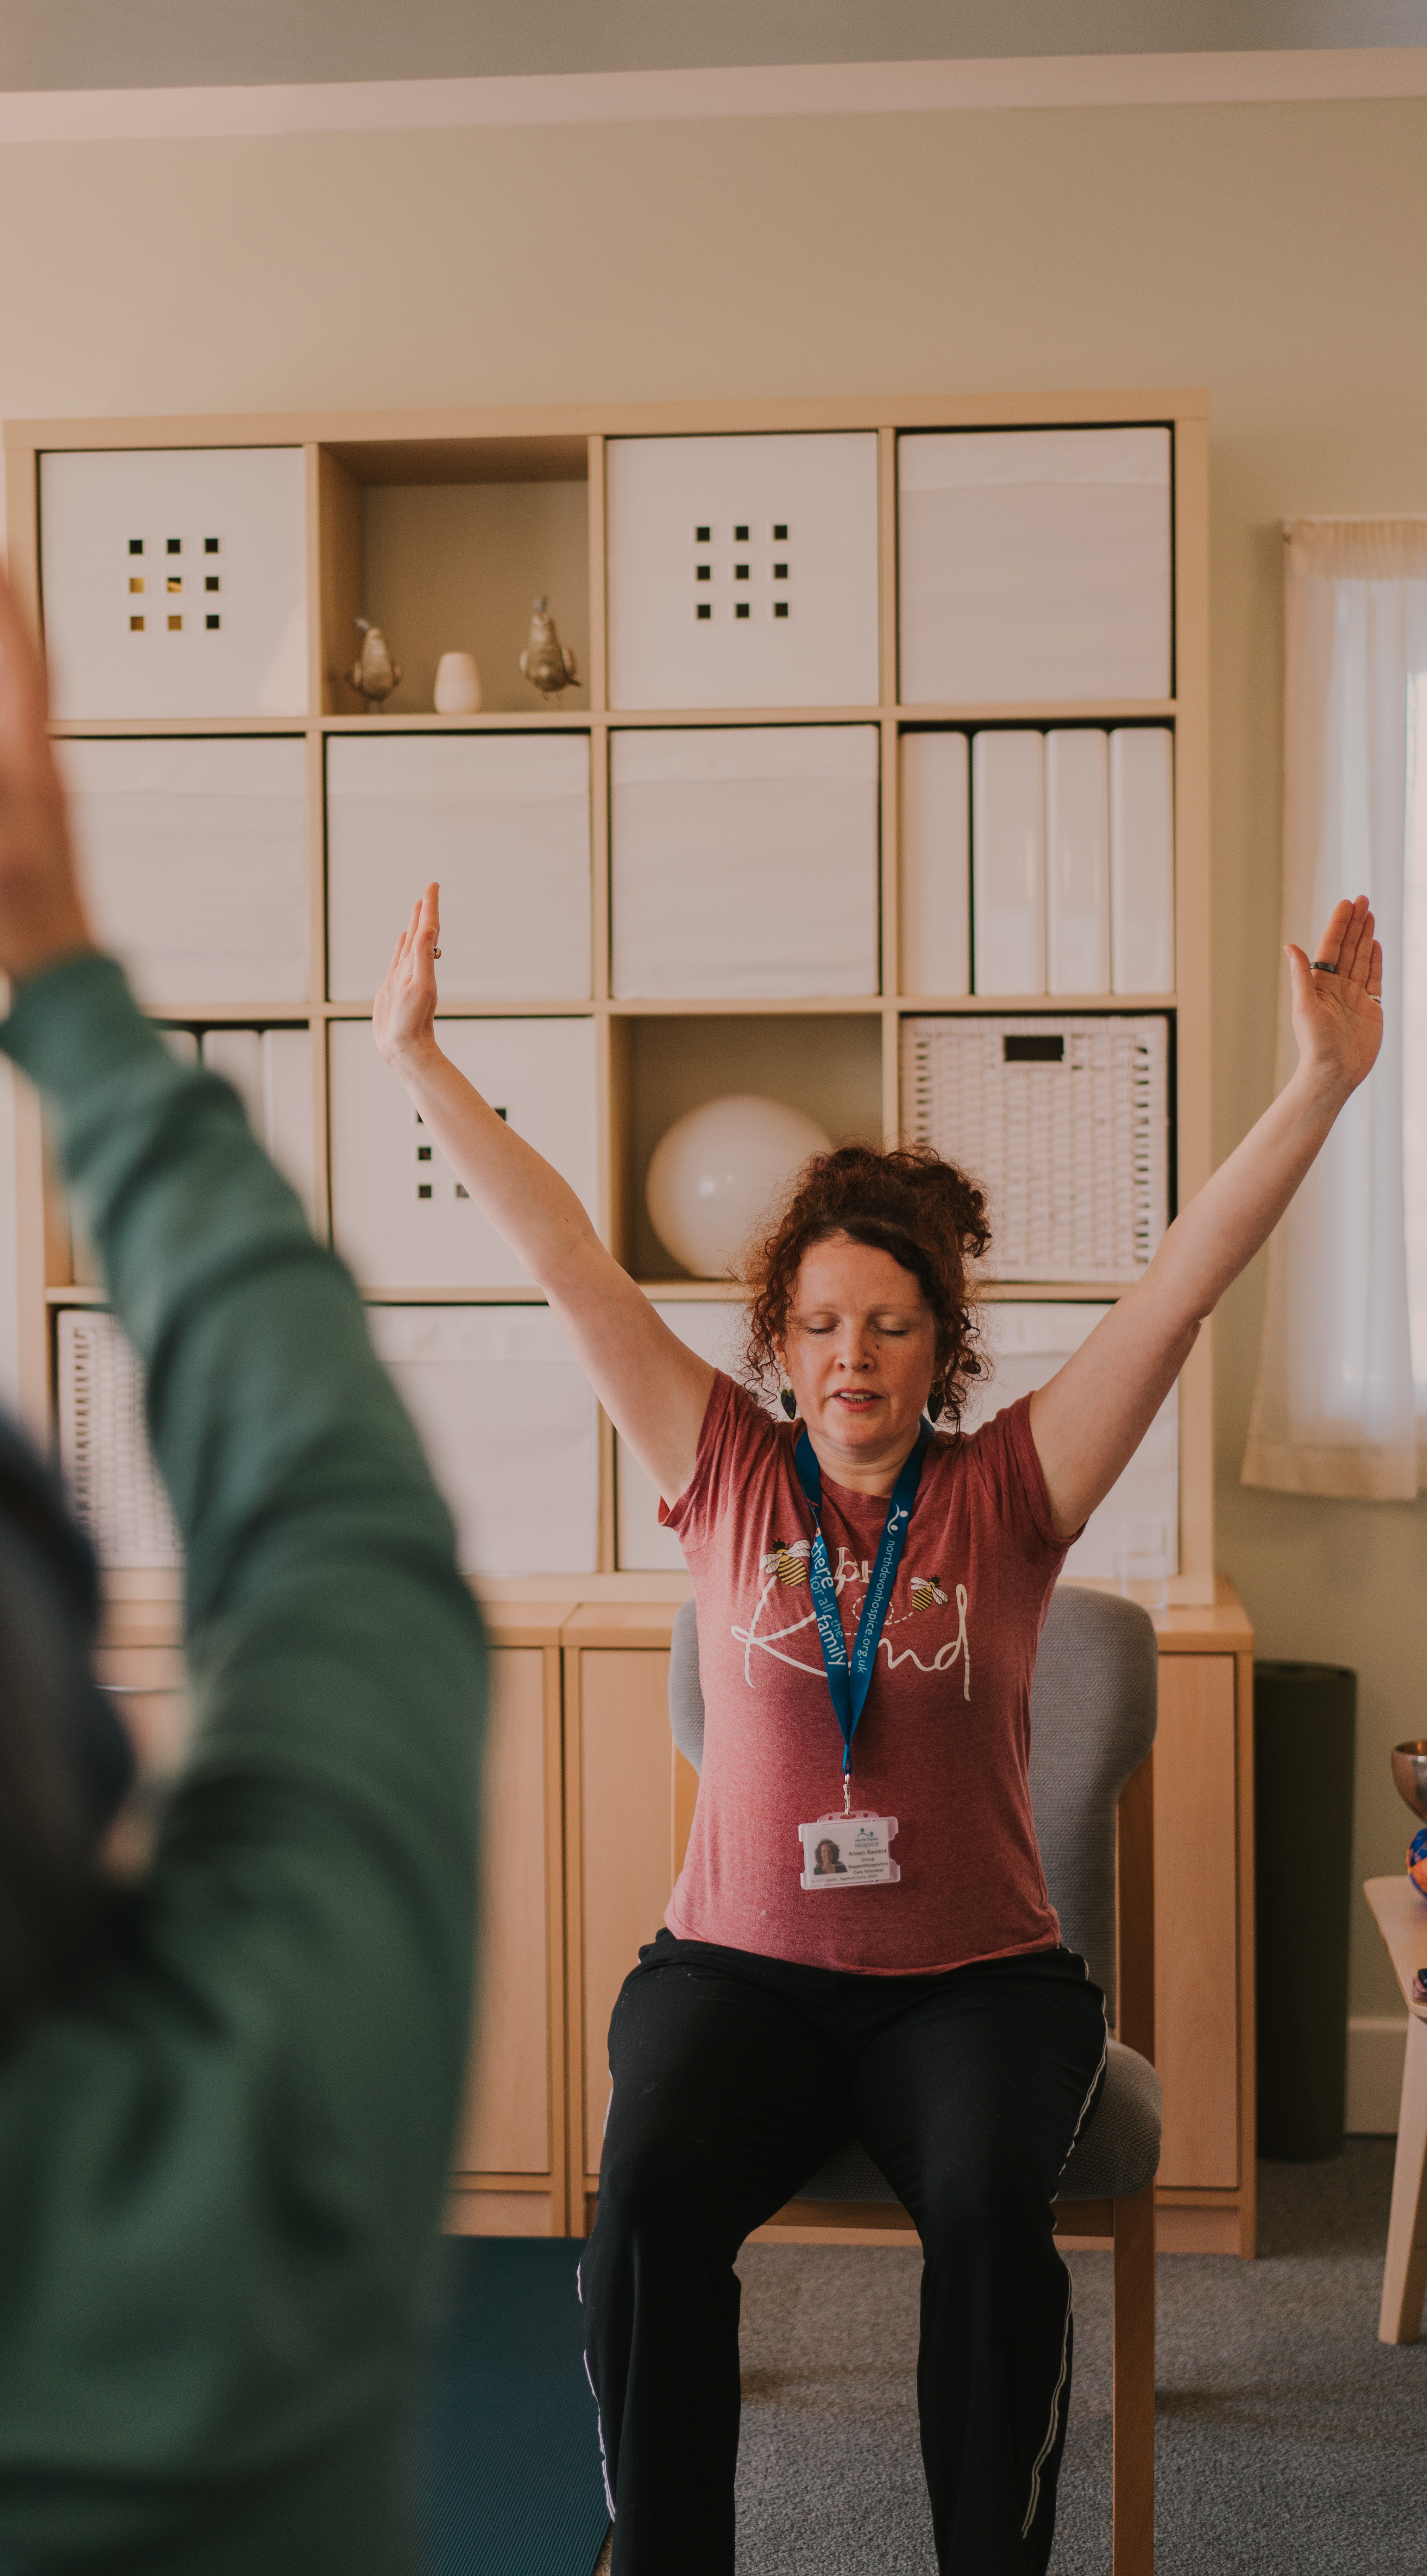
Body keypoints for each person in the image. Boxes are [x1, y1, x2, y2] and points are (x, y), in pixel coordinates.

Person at [372, 877, 1383, 2576]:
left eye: (891, 1323)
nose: (854, 1354)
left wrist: (1319, 1084)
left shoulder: (1012, 1490)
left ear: (939, 1346)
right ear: (776, 1339)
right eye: (822, 1323)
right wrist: (415, 1056)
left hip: (972, 1984)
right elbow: (559, 1249)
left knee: (991, 2220)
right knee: (640, 2213)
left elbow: (1177, 1290)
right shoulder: (720, 1466)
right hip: (735, 1975)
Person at [0, 561, 488, 2572]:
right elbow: (336, 1516)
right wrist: (67, 994)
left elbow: (331, 1526)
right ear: (55, 1706)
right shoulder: (264, 2121)